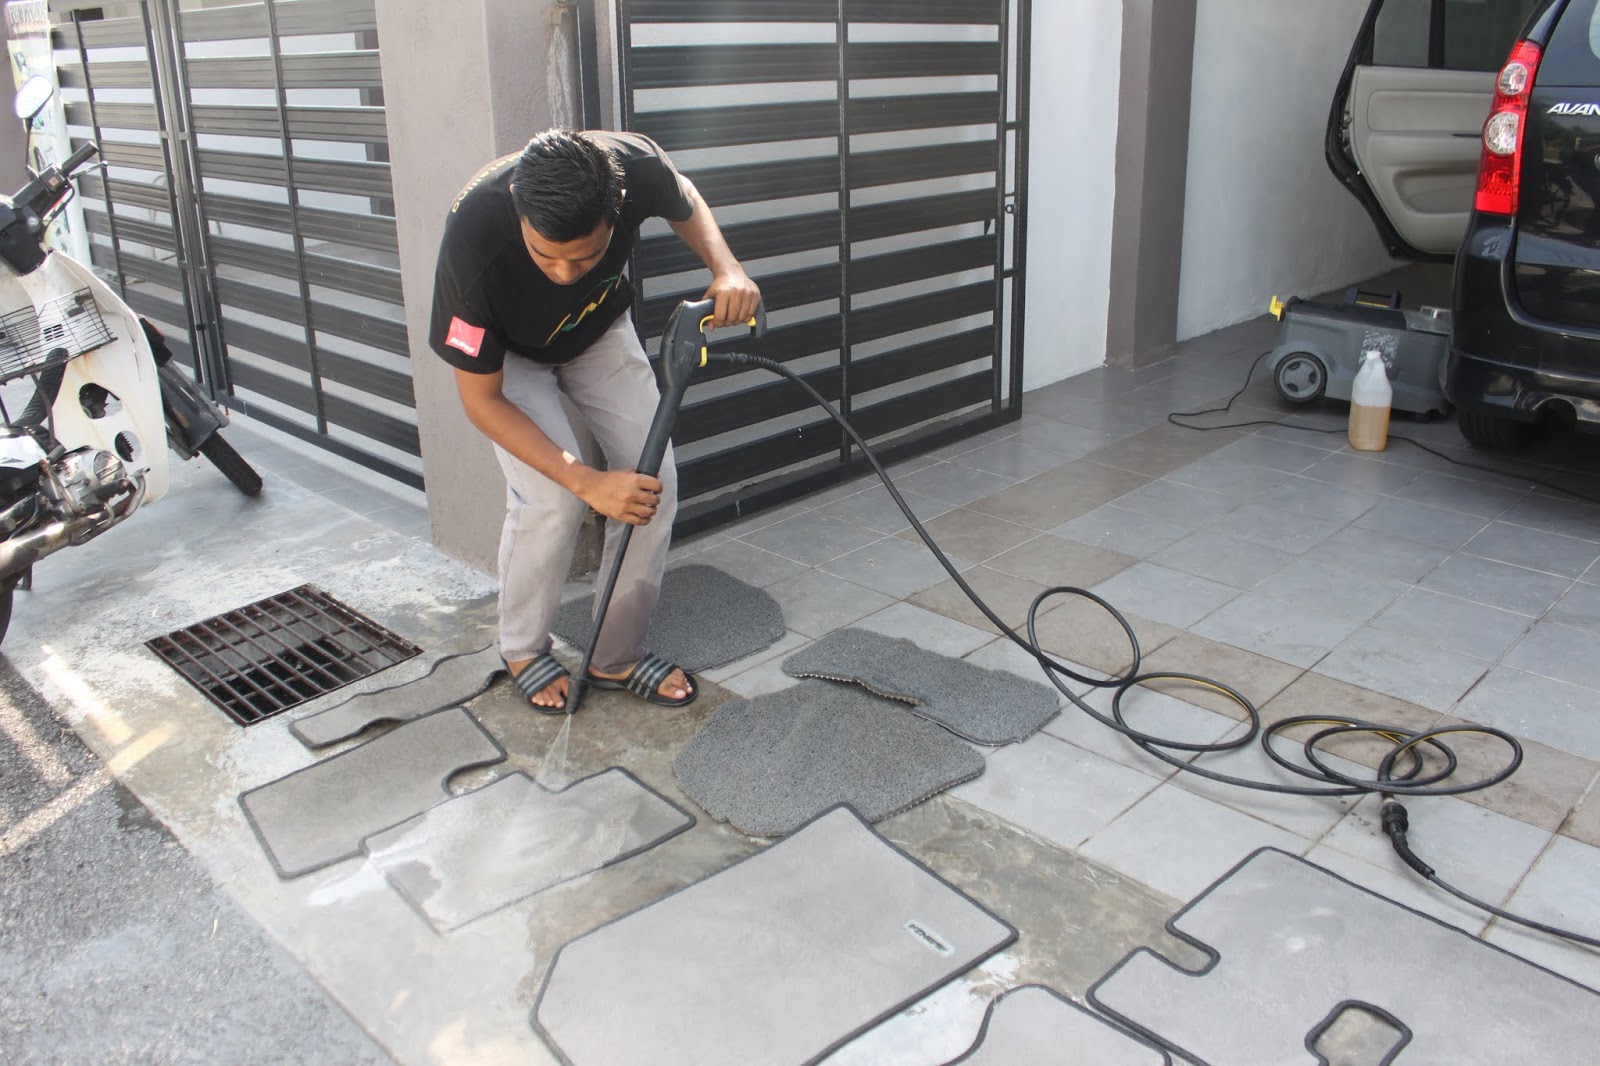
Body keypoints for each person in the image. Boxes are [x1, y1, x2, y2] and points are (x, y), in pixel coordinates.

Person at [428, 129, 760, 712]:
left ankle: (615, 656)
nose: (563, 273)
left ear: (619, 207)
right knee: (553, 500)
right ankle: (523, 649)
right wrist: (585, 480)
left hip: (597, 329)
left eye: (583, 256)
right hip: (511, 358)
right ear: (519, 209)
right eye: (545, 255)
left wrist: (726, 267)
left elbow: (683, 196)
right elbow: (482, 401)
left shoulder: (635, 168)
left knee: (651, 488)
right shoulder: (472, 244)